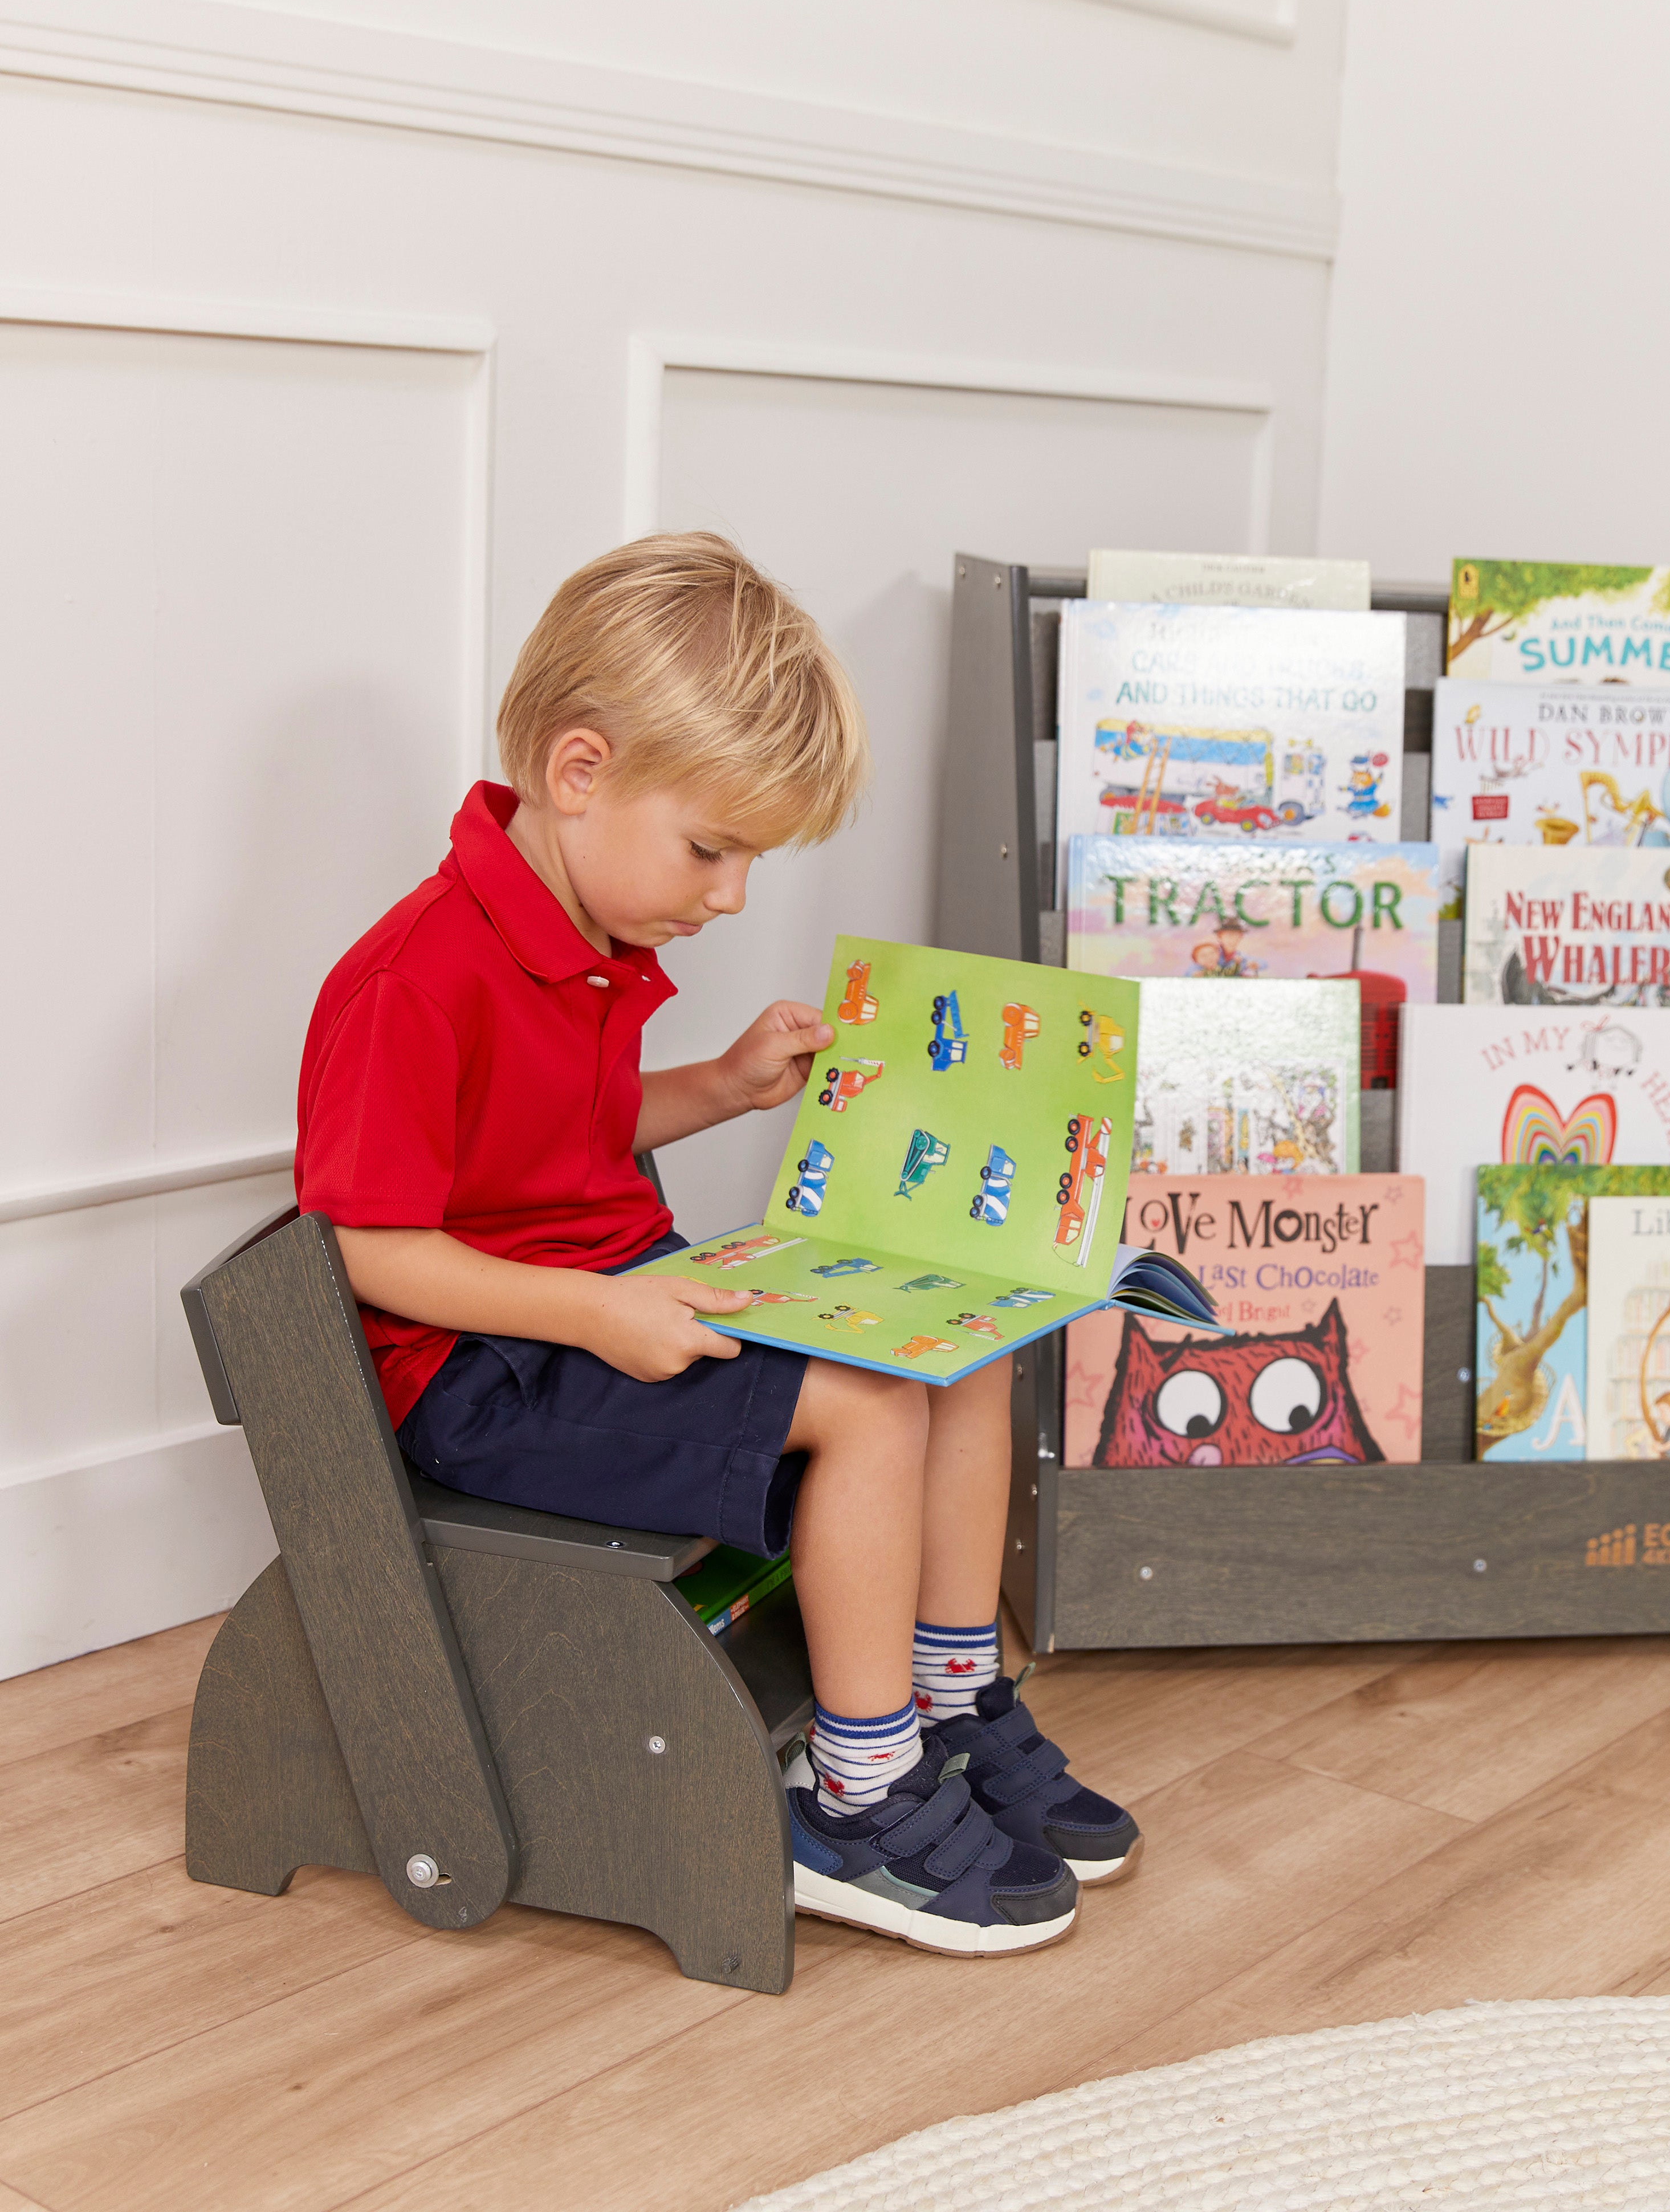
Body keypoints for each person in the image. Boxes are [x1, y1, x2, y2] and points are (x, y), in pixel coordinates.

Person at [295, 532, 1137, 1959]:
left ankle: (944, 1698)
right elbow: (373, 1248)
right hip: (490, 1369)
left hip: (604, 1303)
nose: (733, 893)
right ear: (579, 771)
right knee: (869, 1410)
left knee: (970, 1349)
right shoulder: (412, 979)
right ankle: (856, 1795)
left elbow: (567, 1133)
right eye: (713, 846)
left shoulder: (580, 931)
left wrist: (719, 1087)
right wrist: (596, 1314)